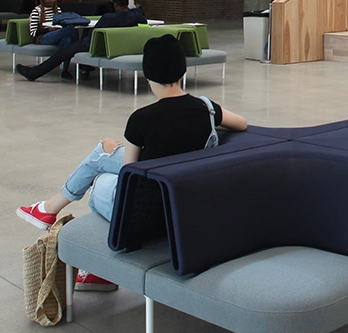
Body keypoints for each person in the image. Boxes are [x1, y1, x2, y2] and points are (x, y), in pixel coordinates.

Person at [16, 34, 248, 290]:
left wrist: (113, 149)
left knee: (102, 178)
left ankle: (85, 253)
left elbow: (130, 174)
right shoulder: (207, 109)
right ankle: (50, 211)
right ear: (182, 70)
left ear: (148, 76)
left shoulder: (141, 119)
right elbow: (241, 123)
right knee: (106, 155)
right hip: (185, 201)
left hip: (147, 212)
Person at [16, 0, 147, 81]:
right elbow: (143, 21)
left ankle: (33, 73)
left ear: (115, 5)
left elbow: (95, 34)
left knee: (62, 53)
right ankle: (80, 68)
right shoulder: (135, 15)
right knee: (69, 42)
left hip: (94, 46)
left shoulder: (108, 18)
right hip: (117, 46)